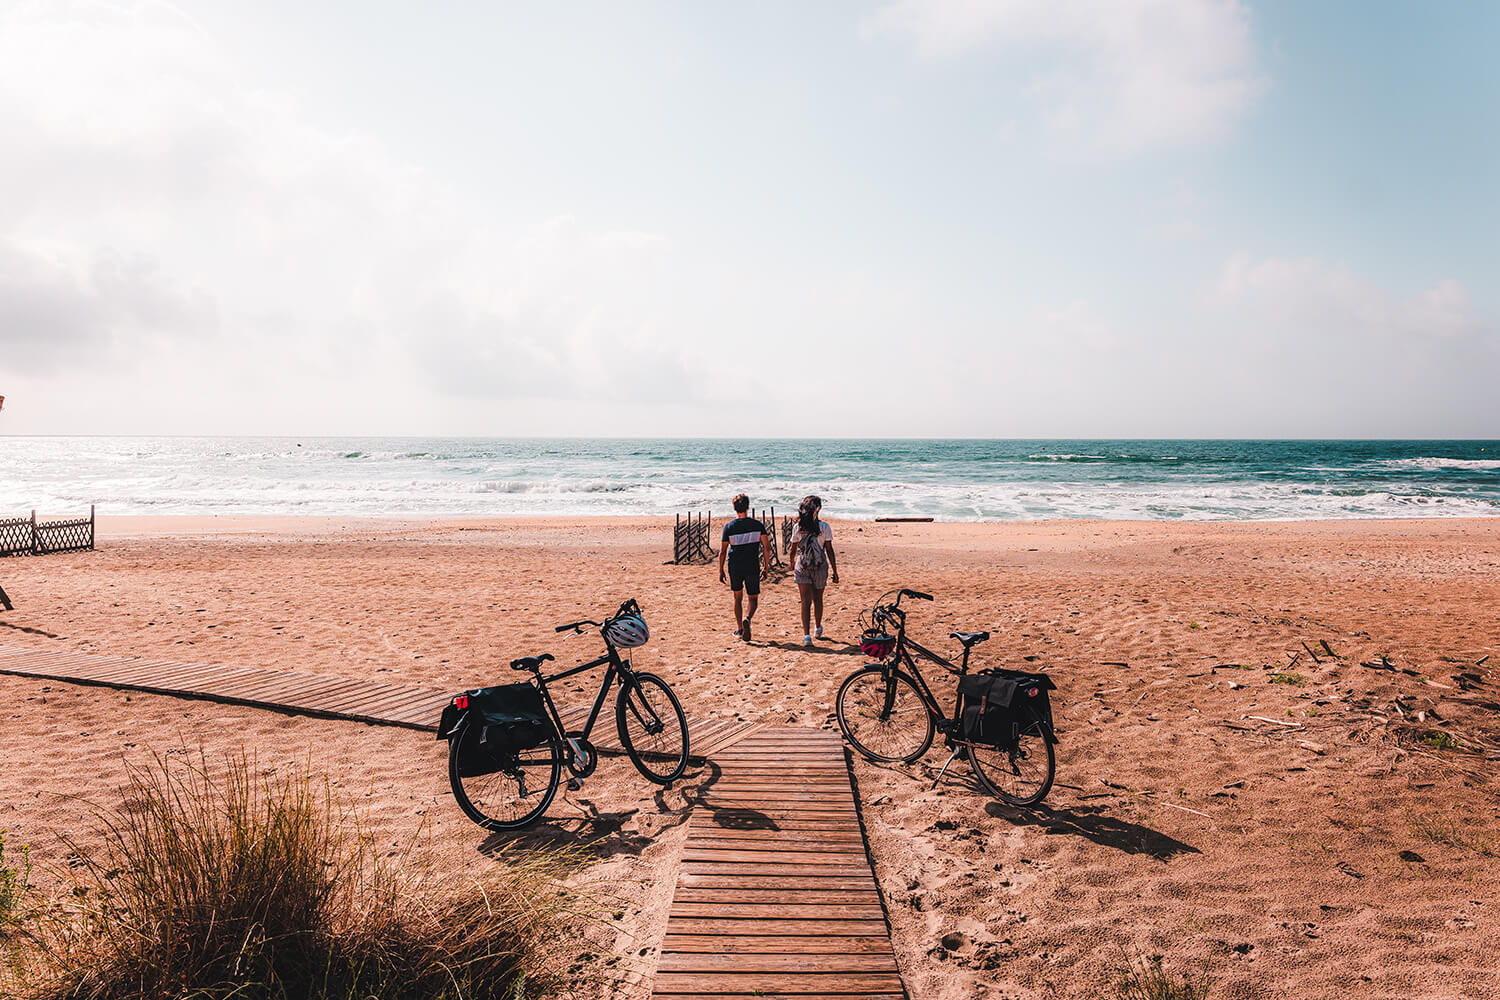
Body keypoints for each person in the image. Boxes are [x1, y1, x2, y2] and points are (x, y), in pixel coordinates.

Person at [718, 493, 771, 641]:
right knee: (753, 598)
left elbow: (723, 551)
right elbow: (767, 548)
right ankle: (747, 618)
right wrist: (766, 567)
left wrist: (720, 570)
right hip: (752, 564)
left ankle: (740, 629)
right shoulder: (758, 525)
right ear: (748, 507)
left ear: (734, 508)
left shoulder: (729, 527)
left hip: (735, 565)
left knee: (737, 597)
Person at [788, 494, 838, 646]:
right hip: (819, 566)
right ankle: (818, 628)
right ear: (819, 508)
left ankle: (806, 636)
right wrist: (835, 571)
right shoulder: (824, 527)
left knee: (805, 601)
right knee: (818, 599)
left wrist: (792, 563)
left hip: (802, 565)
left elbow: (793, 548)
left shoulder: (798, 527)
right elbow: (829, 550)